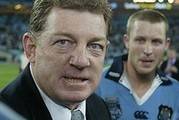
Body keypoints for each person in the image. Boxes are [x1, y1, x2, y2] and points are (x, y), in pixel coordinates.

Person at [0, 0, 112, 120]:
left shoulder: (100, 108)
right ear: (31, 49)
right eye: (63, 42)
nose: (81, 61)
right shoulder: (6, 113)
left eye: (95, 46)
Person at [96, 9, 179, 120]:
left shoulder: (176, 92)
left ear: (166, 44)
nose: (148, 50)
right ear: (127, 41)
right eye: (140, 40)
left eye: (156, 42)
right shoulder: (96, 83)